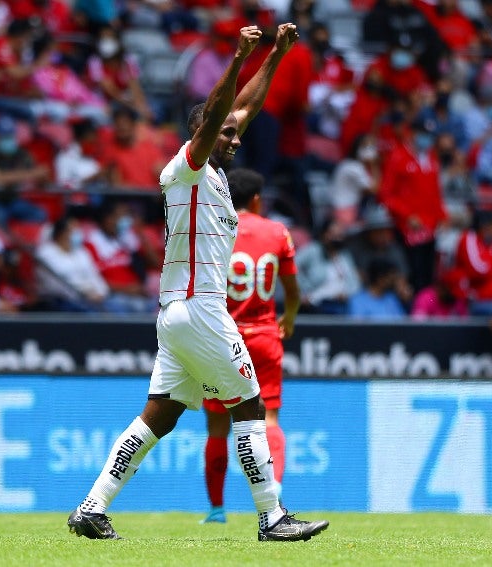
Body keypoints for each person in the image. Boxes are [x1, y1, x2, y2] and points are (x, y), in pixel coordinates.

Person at [66, 23, 328, 542]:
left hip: (178, 313)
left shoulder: (215, 176)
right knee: (249, 405)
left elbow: (242, 109)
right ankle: (272, 518)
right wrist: (237, 57)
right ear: (202, 132)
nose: (235, 138)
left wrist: (274, 56)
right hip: (200, 307)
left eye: (235, 133)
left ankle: (91, 508)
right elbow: (218, 116)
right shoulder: (185, 168)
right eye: (225, 133)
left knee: (158, 419)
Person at [200, 168, 300, 524]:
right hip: (265, 335)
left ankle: (216, 509)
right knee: (269, 417)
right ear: (257, 199)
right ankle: (273, 494)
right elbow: (291, 289)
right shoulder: (277, 232)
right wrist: (288, 315)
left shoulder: (215, 228)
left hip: (224, 336)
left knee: (217, 425)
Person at [378, 116, 447, 292]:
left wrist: (443, 216)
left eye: (430, 135)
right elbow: (386, 194)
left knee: (429, 273)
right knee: (414, 273)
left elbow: (435, 192)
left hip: (430, 226)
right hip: (408, 227)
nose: (427, 139)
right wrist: (407, 215)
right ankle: (414, 313)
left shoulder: (431, 158)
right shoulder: (398, 157)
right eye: (423, 134)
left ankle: (426, 309)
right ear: (413, 133)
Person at [0, 115, 49, 226]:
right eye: (3, 136)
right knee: (0, 215)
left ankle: (27, 241)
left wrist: (42, 176)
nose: (8, 140)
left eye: (10, 136)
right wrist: (31, 174)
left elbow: (41, 176)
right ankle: (7, 243)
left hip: (9, 198)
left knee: (39, 214)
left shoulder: (21, 154)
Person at [84, 200, 159, 313]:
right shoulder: (91, 243)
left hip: (137, 294)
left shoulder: (124, 237)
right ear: (108, 219)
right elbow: (94, 281)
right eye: (121, 216)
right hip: (113, 297)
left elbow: (155, 263)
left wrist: (139, 234)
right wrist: (126, 289)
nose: (125, 220)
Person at [295, 218, 362, 314]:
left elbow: (354, 282)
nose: (337, 238)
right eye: (333, 234)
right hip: (315, 303)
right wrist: (302, 293)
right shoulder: (313, 250)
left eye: (340, 235)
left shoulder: (344, 256)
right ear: (324, 234)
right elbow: (291, 265)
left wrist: (347, 293)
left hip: (339, 304)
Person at [101, 106, 167, 190]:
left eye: (125, 122)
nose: (122, 126)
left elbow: (161, 172)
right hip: (128, 198)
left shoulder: (149, 148)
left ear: (134, 125)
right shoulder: (111, 151)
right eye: (118, 123)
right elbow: (116, 185)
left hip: (151, 197)